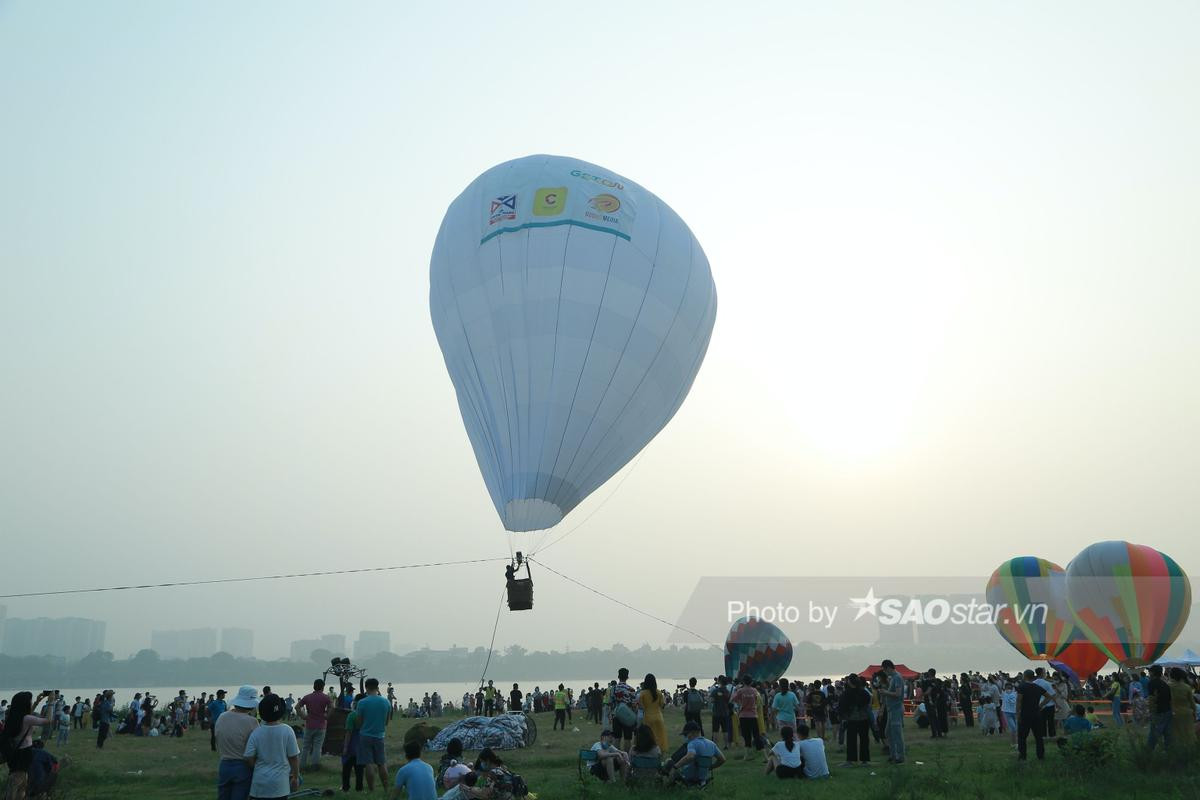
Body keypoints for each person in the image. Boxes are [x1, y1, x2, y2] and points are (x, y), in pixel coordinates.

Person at [244, 693, 299, 799]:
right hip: (280, 785)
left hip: (259, 785)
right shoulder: (287, 730)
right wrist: (295, 777)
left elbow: (248, 757)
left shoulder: (257, 732)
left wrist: (257, 766)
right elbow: (293, 757)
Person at [3, 691, 52, 799]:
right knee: (18, 781)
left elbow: (27, 715)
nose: (30, 704)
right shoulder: (27, 719)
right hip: (25, 753)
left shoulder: (13, 717)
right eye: (29, 702)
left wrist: (37, 701)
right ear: (25, 704)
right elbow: (48, 720)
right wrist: (51, 703)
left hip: (15, 754)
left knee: (18, 780)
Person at [215, 685, 260, 800]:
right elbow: (257, 746)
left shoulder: (222, 717)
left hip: (224, 765)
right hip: (242, 766)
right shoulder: (252, 722)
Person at [356, 678, 391, 791]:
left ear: (366, 688)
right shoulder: (386, 702)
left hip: (365, 735)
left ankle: (372, 789)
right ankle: (386, 788)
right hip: (380, 736)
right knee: (381, 763)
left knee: (369, 763)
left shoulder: (362, 702)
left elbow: (359, 722)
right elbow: (386, 722)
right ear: (377, 687)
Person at [668, 720, 725, 787]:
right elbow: (722, 759)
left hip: (690, 776)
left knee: (669, 764)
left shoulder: (692, 743)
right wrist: (710, 767)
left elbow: (690, 756)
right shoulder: (712, 744)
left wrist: (675, 767)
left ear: (692, 733)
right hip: (704, 777)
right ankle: (702, 783)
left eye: (686, 734)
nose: (685, 737)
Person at [295, 679, 332, 771]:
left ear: (314, 686)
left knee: (305, 747)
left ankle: (302, 766)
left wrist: (304, 716)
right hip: (321, 725)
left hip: (309, 724)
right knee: (317, 747)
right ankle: (315, 766)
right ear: (323, 687)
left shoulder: (308, 697)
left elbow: (297, 707)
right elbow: (332, 706)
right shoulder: (326, 697)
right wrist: (327, 716)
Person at [1016, 669, 1047, 761]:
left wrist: (1018, 713)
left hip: (1025, 714)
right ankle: (1040, 756)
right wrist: (1040, 705)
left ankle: (1022, 756)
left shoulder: (1022, 686)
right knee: (1038, 737)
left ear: (1025, 676)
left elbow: (1019, 701)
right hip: (1036, 714)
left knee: (1022, 737)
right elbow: (1049, 696)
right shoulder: (1037, 687)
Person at [840, 674, 871, 765]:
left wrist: (843, 716)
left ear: (849, 682)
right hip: (864, 718)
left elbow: (842, 706)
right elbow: (868, 702)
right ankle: (865, 760)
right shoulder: (864, 692)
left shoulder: (846, 693)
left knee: (851, 740)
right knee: (864, 739)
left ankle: (850, 760)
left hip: (851, 718)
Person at [879, 660, 906, 764]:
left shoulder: (897, 677)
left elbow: (898, 694)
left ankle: (900, 756)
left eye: (885, 670)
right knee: (888, 732)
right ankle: (893, 754)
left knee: (897, 733)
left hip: (896, 709)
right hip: (891, 709)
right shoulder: (893, 678)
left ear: (889, 667)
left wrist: (885, 692)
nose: (885, 672)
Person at [730, 676, 762, 756]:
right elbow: (756, 700)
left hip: (743, 715)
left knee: (746, 735)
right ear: (751, 682)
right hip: (753, 715)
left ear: (743, 682)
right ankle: (763, 754)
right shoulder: (754, 690)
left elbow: (732, 699)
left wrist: (739, 701)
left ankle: (746, 754)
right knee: (756, 735)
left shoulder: (740, 691)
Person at [637, 674, 669, 752]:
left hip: (648, 716)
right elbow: (662, 705)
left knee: (649, 735)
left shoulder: (643, 693)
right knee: (659, 735)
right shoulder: (658, 692)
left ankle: (649, 750)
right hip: (658, 716)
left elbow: (641, 706)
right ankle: (660, 750)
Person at [610, 668, 638, 752]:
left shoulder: (613, 688)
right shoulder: (631, 689)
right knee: (627, 738)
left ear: (618, 676)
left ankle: (616, 757)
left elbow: (611, 702)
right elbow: (634, 704)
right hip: (627, 716)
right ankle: (627, 758)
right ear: (627, 677)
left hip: (616, 715)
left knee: (617, 738)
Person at [1146, 664, 1173, 751]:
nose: (1149, 673)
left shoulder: (1152, 683)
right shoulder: (1165, 684)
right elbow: (1170, 699)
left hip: (1158, 711)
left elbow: (1151, 698)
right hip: (1168, 711)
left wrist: (1150, 711)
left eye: (1149, 671)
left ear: (1153, 673)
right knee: (1167, 733)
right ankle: (1169, 751)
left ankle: (1148, 752)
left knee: (1154, 733)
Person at [1169, 667, 1195, 749]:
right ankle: (1190, 750)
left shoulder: (1168, 686)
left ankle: (1179, 751)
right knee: (1188, 732)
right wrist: (1194, 711)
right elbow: (1192, 702)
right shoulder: (1187, 687)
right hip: (1187, 713)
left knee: (1176, 733)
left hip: (1174, 713)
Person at [709, 676, 732, 748]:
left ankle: (714, 745)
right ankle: (726, 745)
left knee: (715, 730)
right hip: (725, 713)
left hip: (716, 713)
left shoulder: (715, 691)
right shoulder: (727, 691)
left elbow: (712, 700)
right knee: (725, 730)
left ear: (720, 682)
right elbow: (729, 701)